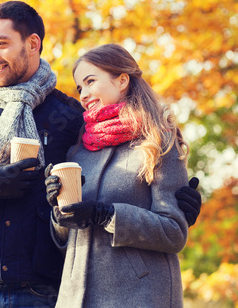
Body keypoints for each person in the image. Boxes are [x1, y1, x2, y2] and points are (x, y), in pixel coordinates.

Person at [0, 1, 201, 308]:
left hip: (41, 292)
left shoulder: (72, 117)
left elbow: (115, 172)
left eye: (0, 44)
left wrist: (178, 204)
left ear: (33, 44)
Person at [45, 43, 195, 307]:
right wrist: (60, 215)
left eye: (91, 81)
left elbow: (174, 232)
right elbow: (66, 239)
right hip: (75, 297)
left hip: (139, 296)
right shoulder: (78, 151)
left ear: (122, 79)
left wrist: (108, 215)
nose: (84, 94)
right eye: (80, 87)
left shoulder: (158, 142)